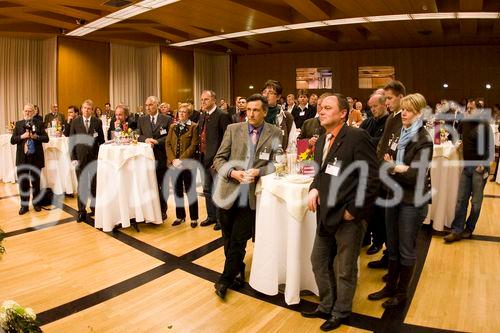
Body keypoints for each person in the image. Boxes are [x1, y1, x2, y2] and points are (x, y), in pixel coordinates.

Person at [302, 94, 379, 331]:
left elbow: (372, 179)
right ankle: (326, 305)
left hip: (347, 216)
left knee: (345, 268)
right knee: (318, 261)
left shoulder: (357, 137)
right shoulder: (323, 139)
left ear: (343, 113)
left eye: (327, 108)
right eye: (320, 108)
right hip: (325, 213)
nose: (321, 111)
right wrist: (314, 188)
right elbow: (321, 174)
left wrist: (354, 211)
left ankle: (341, 312)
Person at [212, 94, 282, 299]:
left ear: (265, 112)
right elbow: (219, 159)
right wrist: (233, 173)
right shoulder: (233, 130)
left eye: (256, 110)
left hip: (251, 195)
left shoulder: (275, 132)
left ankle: (224, 280)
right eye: (248, 110)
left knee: (239, 239)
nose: (250, 114)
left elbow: (277, 163)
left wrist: (259, 172)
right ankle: (237, 270)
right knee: (227, 237)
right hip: (227, 191)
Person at [368, 93, 433, 309]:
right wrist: (398, 167)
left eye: (410, 110)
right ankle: (390, 286)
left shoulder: (423, 139)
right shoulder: (398, 131)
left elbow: (415, 175)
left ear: (419, 113)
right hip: (392, 195)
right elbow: (383, 158)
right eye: (403, 109)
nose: (404, 113)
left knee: (406, 249)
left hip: (411, 201)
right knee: (392, 246)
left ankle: (402, 293)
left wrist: (393, 166)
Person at [368, 80, 406, 270]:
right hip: (382, 172)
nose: (387, 102)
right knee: (384, 219)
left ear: (401, 97)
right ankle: (388, 254)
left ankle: (393, 260)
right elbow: (383, 145)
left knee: (392, 223)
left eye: (389, 98)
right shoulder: (392, 117)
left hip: (394, 176)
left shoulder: (404, 120)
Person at [444, 98, 493, 242]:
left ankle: (469, 228)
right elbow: (462, 137)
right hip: (466, 166)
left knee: (476, 203)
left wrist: (483, 165)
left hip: (479, 168)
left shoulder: (485, 125)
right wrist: (460, 144)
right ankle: (456, 230)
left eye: (472, 109)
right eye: (468, 108)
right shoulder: (465, 123)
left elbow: (490, 149)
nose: (469, 111)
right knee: (461, 200)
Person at [198, 90, 232, 230]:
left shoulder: (222, 115)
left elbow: (226, 140)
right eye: (201, 100)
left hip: (216, 161)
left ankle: (220, 219)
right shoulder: (203, 116)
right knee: (207, 190)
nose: (203, 102)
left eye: (206, 99)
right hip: (203, 158)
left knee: (218, 191)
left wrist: (219, 159)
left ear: (214, 100)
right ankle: (211, 216)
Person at [360, 93, 390, 255]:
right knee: (365, 208)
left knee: (378, 210)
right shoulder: (368, 122)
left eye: (375, 106)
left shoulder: (389, 122)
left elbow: (381, 143)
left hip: (380, 172)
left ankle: (378, 241)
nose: (372, 110)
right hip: (365, 170)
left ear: (384, 104)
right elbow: (358, 139)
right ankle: (365, 237)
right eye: (370, 107)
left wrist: (368, 142)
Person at [137, 96, 173, 221]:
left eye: (151, 105)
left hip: (162, 157)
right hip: (146, 158)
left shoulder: (167, 119)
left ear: (157, 105)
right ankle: (151, 210)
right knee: (150, 185)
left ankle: (163, 210)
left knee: (163, 185)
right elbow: (138, 135)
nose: (148, 107)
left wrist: (156, 142)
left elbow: (170, 136)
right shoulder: (142, 119)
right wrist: (146, 139)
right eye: (146, 105)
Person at [69, 99, 105, 222]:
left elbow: (101, 141)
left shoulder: (97, 122)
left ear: (92, 110)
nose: (86, 110)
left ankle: (94, 208)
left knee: (94, 185)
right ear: (82, 109)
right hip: (80, 159)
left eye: (89, 108)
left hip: (94, 159)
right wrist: (73, 158)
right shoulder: (75, 122)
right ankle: (81, 211)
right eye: (84, 108)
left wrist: (100, 156)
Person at [10, 103, 49, 214]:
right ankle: (24, 206)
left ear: (34, 112)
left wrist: (35, 136)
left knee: (36, 182)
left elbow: (46, 139)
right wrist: (22, 136)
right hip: (22, 158)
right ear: (23, 111)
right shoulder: (18, 124)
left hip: (36, 157)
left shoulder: (39, 123)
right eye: (26, 111)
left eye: (30, 111)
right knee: (23, 183)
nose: (27, 113)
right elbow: (12, 140)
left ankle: (36, 203)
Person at [166, 103, 200, 228]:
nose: (181, 113)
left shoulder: (194, 127)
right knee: (177, 190)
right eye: (179, 111)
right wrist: (173, 159)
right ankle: (180, 216)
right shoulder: (172, 126)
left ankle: (194, 218)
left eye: (184, 112)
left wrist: (181, 159)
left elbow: (193, 145)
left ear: (189, 114)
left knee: (190, 191)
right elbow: (168, 144)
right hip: (174, 164)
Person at [262, 80, 296, 150]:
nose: (266, 95)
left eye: (270, 92)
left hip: (280, 157)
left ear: (278, 97)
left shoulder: (287, 116)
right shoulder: (255, 114)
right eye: (264, 92)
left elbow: (292, 141)